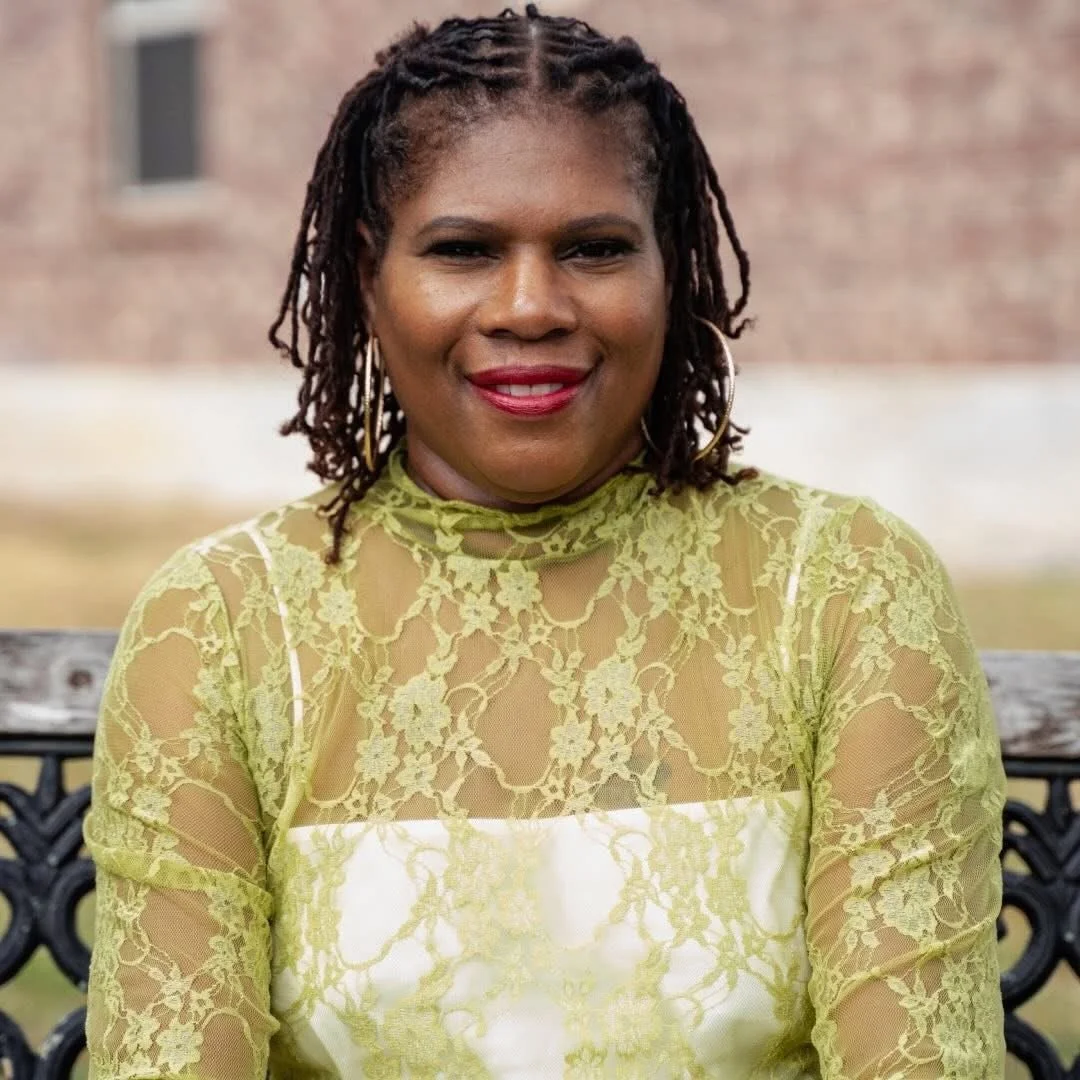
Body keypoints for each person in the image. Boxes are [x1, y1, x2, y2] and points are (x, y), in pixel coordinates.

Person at [84, 6, 1006, 1077]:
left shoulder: (844, 590)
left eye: (596, 248)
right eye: (465, 249)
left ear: (676, 271)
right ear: (368, 280)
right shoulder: (223, 626)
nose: (531, 306)